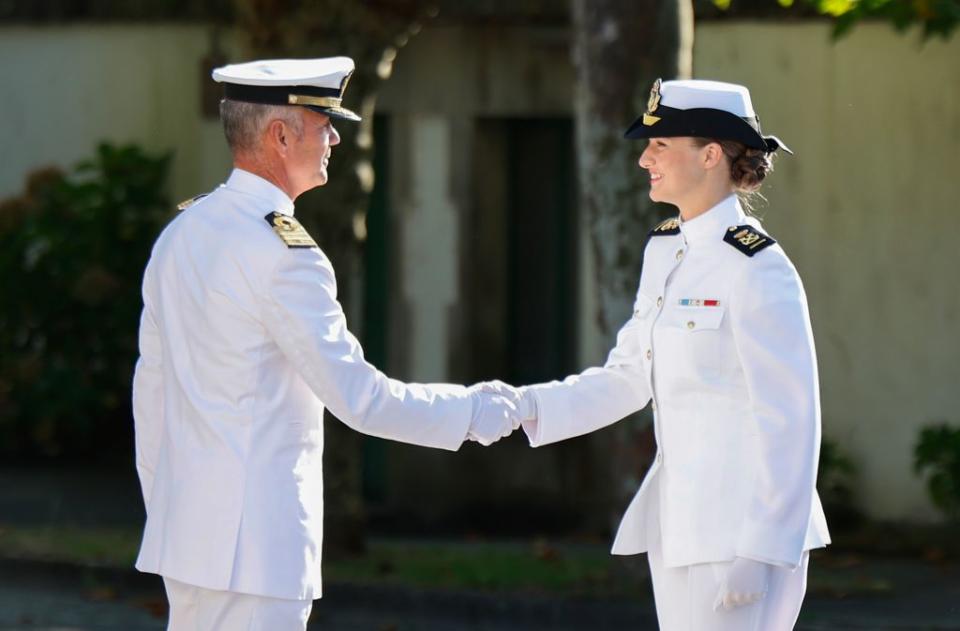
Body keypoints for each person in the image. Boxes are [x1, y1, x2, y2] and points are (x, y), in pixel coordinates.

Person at [131, 57, 520, 631]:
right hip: (258, 550)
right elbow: (360, 399)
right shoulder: (285, 255)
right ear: (280, 135)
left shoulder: (182, 232)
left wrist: (169, 506)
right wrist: (475, 412)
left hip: (187, 537)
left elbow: (151, 395)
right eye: (323, 121)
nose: (336, 136)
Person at [484, 79, 831, 629]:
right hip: (677, 526)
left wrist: (763, 548)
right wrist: (524, 406)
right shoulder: (666, 248)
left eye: (661, 144)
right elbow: (628, 377)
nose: (645, 157)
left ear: (711, 154)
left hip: (741, 535)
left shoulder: (758, 266)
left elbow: (791, 418)